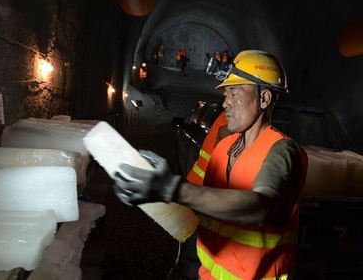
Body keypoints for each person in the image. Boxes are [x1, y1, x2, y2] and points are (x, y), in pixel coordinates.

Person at [112, 50, 308, 280]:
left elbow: (262, 207)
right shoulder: (223, 147)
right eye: (226, 94)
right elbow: (205, 203)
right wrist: (155, 186)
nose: (225, 102)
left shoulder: (281, 151)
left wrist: (175, 189)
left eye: (234, 93)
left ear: (264, 98)